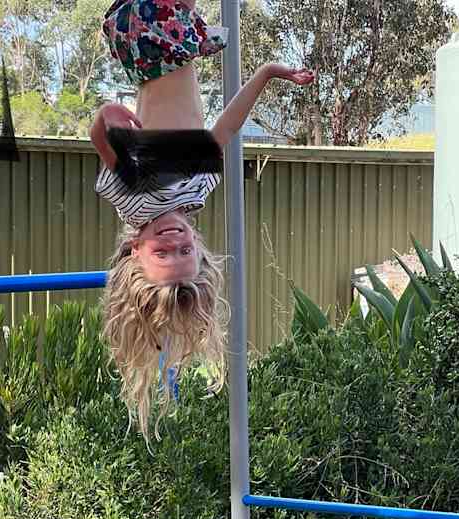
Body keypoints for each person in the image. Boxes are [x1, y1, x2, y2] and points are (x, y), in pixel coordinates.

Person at [90, 0, 313, 435]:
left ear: (136, 251)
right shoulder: (196, 191)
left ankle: (194, 31)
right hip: (172, 44)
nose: (175, 239)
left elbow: (100, 140)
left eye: (163, 252)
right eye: (185, 250)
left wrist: (104, 118)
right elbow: (224, 130)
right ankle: (200, 35)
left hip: (151, 37)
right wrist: (266, 73)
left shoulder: (137, 199)